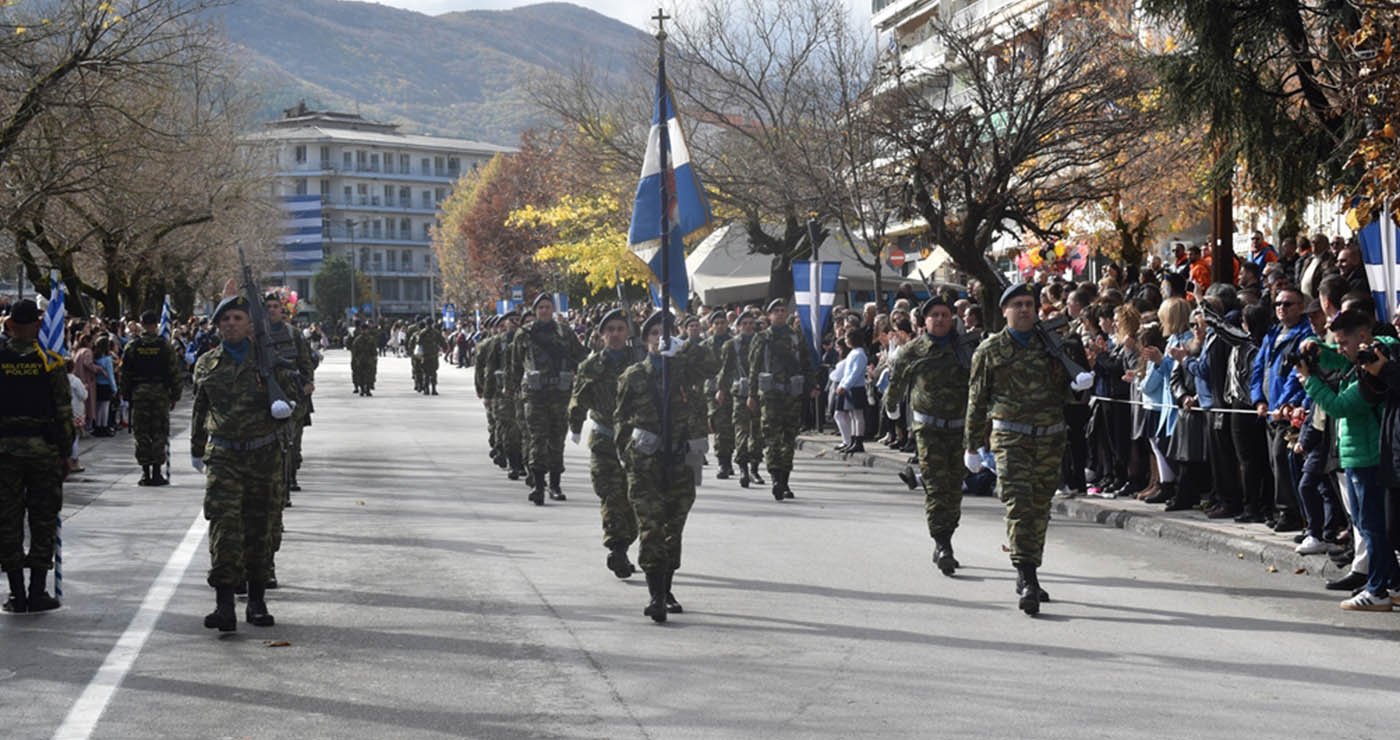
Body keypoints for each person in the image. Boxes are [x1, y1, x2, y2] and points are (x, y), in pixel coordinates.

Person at [965, 284, 1086, 616]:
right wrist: (972, 446)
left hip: (1050, 438)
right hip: (1009, 440)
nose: (1024, 310)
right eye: (1017, 304)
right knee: (1018, 504)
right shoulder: (989, 350)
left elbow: (1069, 391)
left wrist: (1079, 386)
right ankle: (1028, 577)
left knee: (1039, 508)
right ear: (1004, 311)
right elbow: (976, 402)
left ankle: (1029, 568)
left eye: (1029, 304)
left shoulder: (1051, 346)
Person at [190, 293, 296, 631]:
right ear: (218, 325)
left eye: (238, 318)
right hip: (223, 456)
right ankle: (223, 605)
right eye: (226, 319)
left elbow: (293, 399)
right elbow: (200, 408)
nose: (231, 324)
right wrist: (196, 448)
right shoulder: (206, 363)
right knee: (224, 528)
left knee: (259, 528)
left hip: (263, 454)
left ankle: (256, 601)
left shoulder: (270, 360)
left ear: (251, 324)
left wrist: (282, 400)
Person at [1296, 311, 1398, 611]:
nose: (1339, 348)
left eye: (1343, 342)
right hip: (1356, 455)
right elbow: (1343, 361)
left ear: (1363, 338)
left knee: (1372, 527)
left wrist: (1309, 381)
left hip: (1368, 457)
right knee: (1367, 525)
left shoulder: (1375, 370)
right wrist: (1319, 350)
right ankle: (1392, 582)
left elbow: (1340, 406)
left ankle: (1377, 590)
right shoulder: (1362, 362)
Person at [613, 310, 706, 622]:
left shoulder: (684, 371)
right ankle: (655, 596)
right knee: (651, 528)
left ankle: (667, 589)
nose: (659, 339)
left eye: (665, 334)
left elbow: (712, 364)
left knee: (672, 530)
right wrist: (629, 457)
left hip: (681, 461)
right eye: (654, 334)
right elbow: (621, 421)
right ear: (646, 340)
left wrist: (685, 347)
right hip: (645, 465)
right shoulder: (633, 376)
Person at [884, 296, 977, 576]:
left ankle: (947, 534)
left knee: (954, 489)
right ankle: (943, 543)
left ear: (953, 319)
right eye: (934, 315)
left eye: (945, 315)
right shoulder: (913, 350)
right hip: (929, 430)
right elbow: (897, 381)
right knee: (936, 487)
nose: (940, 319)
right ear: (924, 321)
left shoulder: (965, 349)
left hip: (960, 429)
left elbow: (979, 386)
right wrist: (891, 408)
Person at [0, 300, 74, 613]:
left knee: (7, 521)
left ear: (10, 325)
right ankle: (38, 591)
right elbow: (63, 412)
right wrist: (66, 453)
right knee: (43, 519)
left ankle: (16, 593)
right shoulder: (51, 362)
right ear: (37, 326)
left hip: (4, 452)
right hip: (43, 451)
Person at [568, 309, 639, 578]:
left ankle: (626, 539)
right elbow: (579, 398)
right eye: (610, 329)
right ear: (601, 334)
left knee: (635, 499)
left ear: (628, 333)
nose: (616, 334)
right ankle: (617, 549)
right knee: (611, 496)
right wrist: (575, 424)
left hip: (636, 443)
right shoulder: (591, 366)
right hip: (604, 440)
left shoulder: (639, 362)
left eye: (620, 328)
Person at [508, 294, 586, 504]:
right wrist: (515, 393)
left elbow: (580, 356)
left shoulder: (564, 332)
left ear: (553, 309)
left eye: (547, 307)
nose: (544, 311)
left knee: (557, 439)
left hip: (559, 394)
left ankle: (555, 484)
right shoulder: (524, 335)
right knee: (537, 438)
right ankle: (538, 485)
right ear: (535, 310)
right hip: (534, 395)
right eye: (540, 307)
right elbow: (515, 365)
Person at [746, 299, 819, 500]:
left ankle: (785, 480)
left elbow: (805, 363)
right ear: (769, 315)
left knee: (788, 439)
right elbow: (754, 368)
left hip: (792, 396)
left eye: (782, 310)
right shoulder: (761, 338)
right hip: (770, 397)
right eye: (775, 311)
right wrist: (752, 394)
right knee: (772, 439)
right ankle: (775, 478)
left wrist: (812, 385)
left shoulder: (796, 337)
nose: (780, 314)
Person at [119, 310, 183, 486]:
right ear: (156, 325)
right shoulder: (165, 346)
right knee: (159, 432)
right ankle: (157, 471)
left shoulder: (132, 346)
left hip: (139, 394)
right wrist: (175, 395)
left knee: (142, 433)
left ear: (142, 324)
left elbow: (124, 374)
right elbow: (174, 373)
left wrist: (125, 394)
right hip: (160, 393)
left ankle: (145, 472)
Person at [717, 311, 764, 489]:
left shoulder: (763, 342)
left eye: (751, 323)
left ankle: (755, 468)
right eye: (744, 323)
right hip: (740, 394)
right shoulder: (732, 345)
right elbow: (726, 369)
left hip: (760, 393)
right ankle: (743, 468)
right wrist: (721, 390)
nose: (748, 326)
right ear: (738, 326)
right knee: (741, 432)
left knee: (757, 433)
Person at [701, 311, 735, 479]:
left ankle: (728, 458)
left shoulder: (735, 343)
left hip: (733, 389)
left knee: (732, 426)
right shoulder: (705, 346)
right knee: (719, 424)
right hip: (712, 391)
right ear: (711, 326)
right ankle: (723, 462)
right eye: (717, 323)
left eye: (723, 322)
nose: (720, 325)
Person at [350, 320, 380, 396]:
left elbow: (373, 349)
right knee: (364, 375)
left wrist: (375, 357)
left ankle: (366, 389)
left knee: (366, 375)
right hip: (364, 360)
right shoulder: (363, 339)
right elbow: (354, 351)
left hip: (365, 360)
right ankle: (364, 389)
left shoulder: (361, 339)